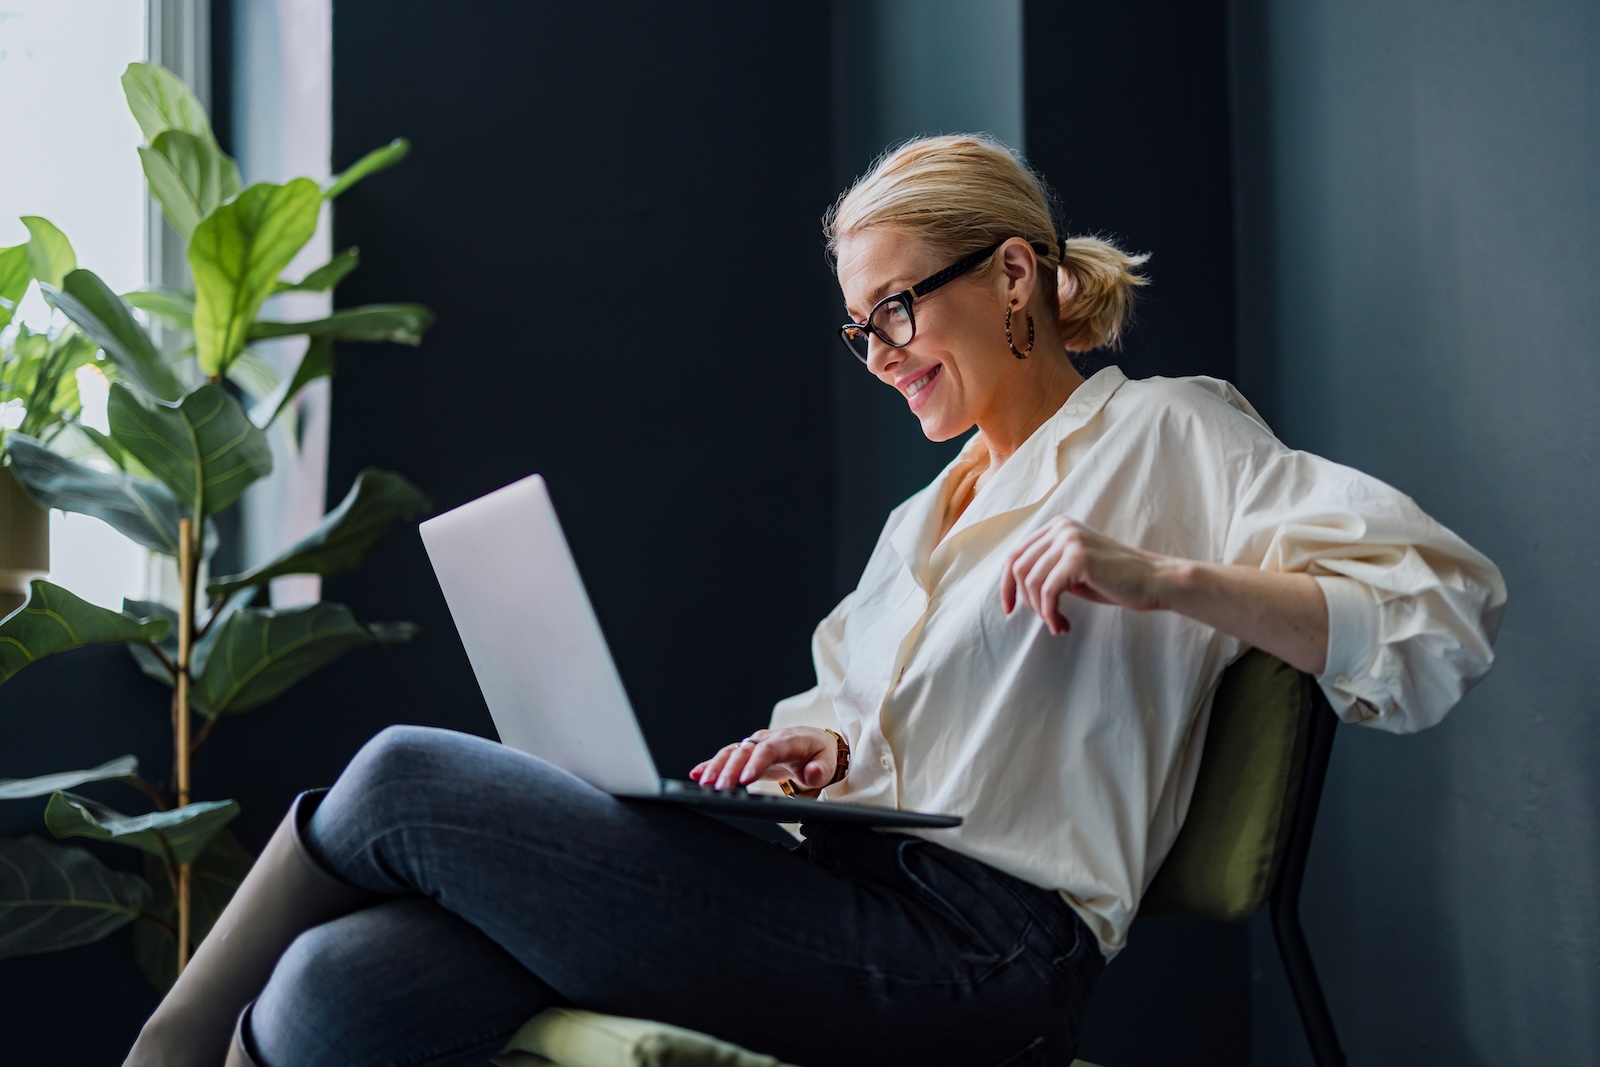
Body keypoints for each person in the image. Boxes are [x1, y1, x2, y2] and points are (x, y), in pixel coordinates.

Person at [124, 134, 1506, 1067]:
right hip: (837, 893)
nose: (882, 354)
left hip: (984, 957)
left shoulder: (1171, 440)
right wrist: (820, 754)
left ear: (1013, 273)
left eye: (898, 310)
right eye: (863, 330)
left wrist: (1164, 577)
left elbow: (1442, 608)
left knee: (399, 783)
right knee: (334, 993)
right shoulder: (926, 518)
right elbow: (859, 717)